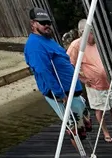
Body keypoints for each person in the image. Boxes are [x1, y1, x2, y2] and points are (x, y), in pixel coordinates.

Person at [24, 7, 91, 141]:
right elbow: (44, 71)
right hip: (62, 94)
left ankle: (88, 152)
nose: (47, 25)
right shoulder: (35, 46)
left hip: (73, 90)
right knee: (74, 128)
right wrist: (61, 95)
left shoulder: (48, 39)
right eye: (43, 23)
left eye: (48, 22)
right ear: (33, 23)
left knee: (84, 123)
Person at [67, 19, 112, 143]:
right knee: (100, 110)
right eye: (91, 33)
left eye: (95, 32)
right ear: (83, 33)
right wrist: (82, 78)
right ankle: (105, 132)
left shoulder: (99, 42)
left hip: (109, 83)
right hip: (94, 85)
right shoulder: (76, 45)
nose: (94, 35)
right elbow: (68, 65)